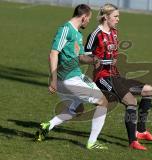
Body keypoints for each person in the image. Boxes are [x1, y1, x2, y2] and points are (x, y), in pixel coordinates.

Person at [85, 4, 152, 151]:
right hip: (103, 78)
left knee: (148, 90)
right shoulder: (96, 34)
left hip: (116, 76)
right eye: (116, 16)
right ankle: (133, 141)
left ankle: (141, 131)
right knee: (130, 101)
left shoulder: (114, 32)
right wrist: (101, 61)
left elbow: (113, 55)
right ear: (106, 17)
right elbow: (85, 57)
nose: (118, 19)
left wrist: (113, 60)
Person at [35, 4, 108, 150]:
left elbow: (80, 57)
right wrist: (53, 79)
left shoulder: (77, 34)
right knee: (103, 102)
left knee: (77, 109)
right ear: (84, 17)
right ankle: (92, 142)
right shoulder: (65, 29)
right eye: (89, 19)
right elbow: (53, 53)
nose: (89, 22)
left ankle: (48, 125)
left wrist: (93, 59)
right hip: (68, 79)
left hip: (73, 78)